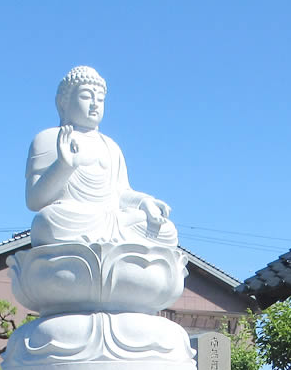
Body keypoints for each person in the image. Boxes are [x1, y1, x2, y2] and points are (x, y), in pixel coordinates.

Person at [26, 66, 178, 248]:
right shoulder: (49, 138)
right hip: (73, 219)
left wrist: (144, 202)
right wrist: (63, 166)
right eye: (85, 96)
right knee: (46, 222)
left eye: (100, 99)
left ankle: (111, 241)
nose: (94, 104)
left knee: (167, 231)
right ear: (63, 103)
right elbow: (34, 200)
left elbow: (121, 193)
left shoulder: (111, 147)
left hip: (114, 219)